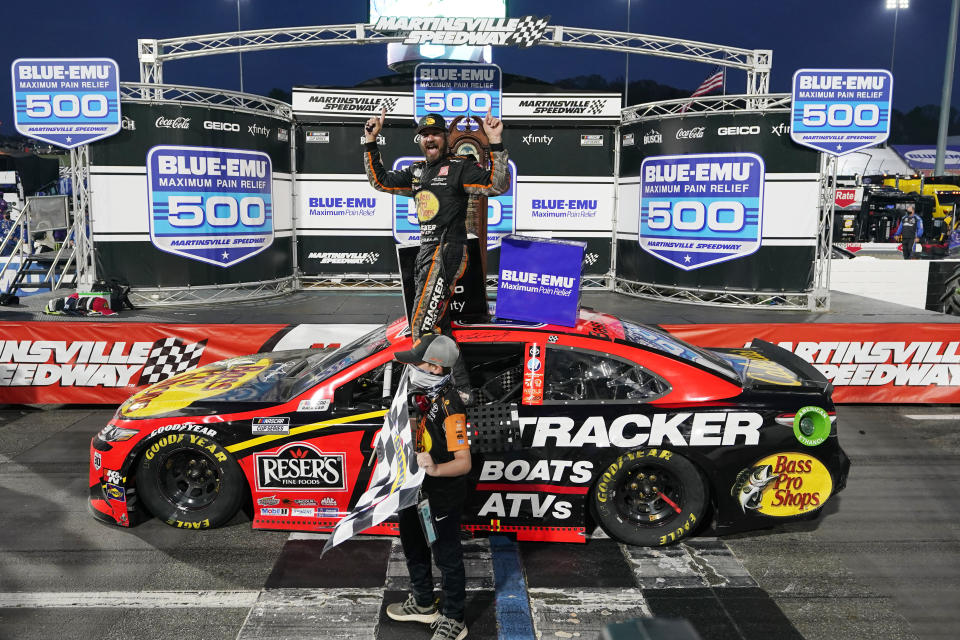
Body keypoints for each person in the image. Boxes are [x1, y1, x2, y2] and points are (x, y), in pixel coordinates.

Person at [362, 107, 509, 341]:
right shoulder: (416, 172)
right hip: (426, 251)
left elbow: (497, 185)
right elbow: (380, 182)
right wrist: (371, 141)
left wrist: (495, 141)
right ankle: (459, 378)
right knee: (438, 323)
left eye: (436, 133)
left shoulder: (460, 167)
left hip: (447, 250)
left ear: (446, 138)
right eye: (424, 134)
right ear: (420, 140)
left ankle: (426, 377)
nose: (429, 138)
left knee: (422, 327)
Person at [386, 333, 471, 640]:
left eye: (416, 362)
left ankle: (454, 619)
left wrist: (434, 468)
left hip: (441, 495)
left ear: (435, 368)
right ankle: (424, 603)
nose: (411, 368)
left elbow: (464, 463)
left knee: (447, 557)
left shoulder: (451, 406)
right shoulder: (427, 394)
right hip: (416, 488)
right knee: (412, 542)